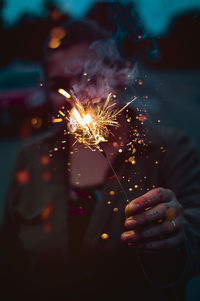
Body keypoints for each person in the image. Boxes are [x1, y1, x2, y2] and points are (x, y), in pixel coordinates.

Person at [1, 19, 200, 301]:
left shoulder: (170, 149)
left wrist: (175, 238)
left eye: (87, 77)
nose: (73, 96)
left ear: (119, 75)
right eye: (59, 84)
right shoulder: (30, 157)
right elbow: (10, 256)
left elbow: (193, 235)